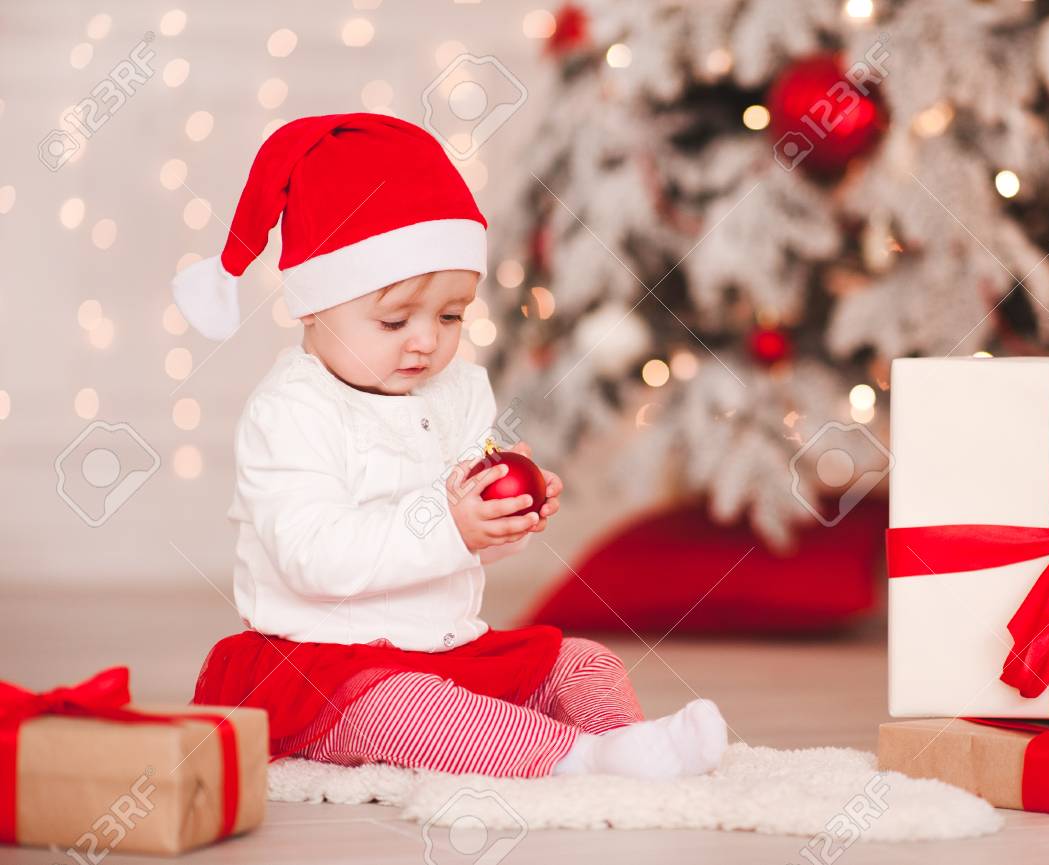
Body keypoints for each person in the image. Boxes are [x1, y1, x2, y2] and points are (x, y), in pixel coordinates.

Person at [179, 113, 727, 779]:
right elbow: (312, 557)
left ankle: (630, 743)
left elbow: (472, 530)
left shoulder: (460, 389)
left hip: (448, 646)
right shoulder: (291, 410)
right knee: (407, 708)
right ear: (312, 305)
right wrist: (451, 523)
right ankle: (579, 760)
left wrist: (506, 517)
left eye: (449, 317)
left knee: (584, 660)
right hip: (328, 663)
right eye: (394, 319)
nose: (425, 341)